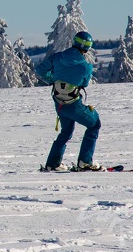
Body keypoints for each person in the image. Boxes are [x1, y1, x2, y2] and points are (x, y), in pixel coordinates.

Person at [35, 31, 102, 171]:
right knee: (94, 124)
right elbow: (84, 83)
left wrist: (53, 79)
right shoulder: (86, 67)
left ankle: (52, 164)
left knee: (66, 131)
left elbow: (40, 70)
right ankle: (85, 162)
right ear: (87, 47)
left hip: (59, 103)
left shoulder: (57, 57)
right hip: (74, 104)